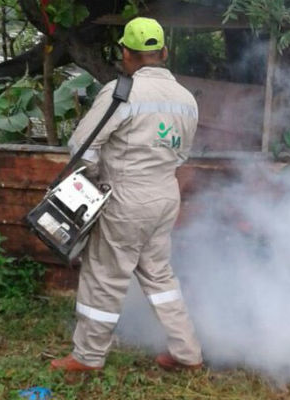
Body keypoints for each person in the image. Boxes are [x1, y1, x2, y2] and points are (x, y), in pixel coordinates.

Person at [50, 17, 203, 372]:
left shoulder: (122, 92)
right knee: (159, 275)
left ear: (126, 54)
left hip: (125, 198)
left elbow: (81, 146)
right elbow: (182, 155)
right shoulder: (186, 99)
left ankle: (87, 358)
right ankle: (187, 352)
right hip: (165, 195)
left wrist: (93, 180)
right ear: (163, 52)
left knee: (104, 275)